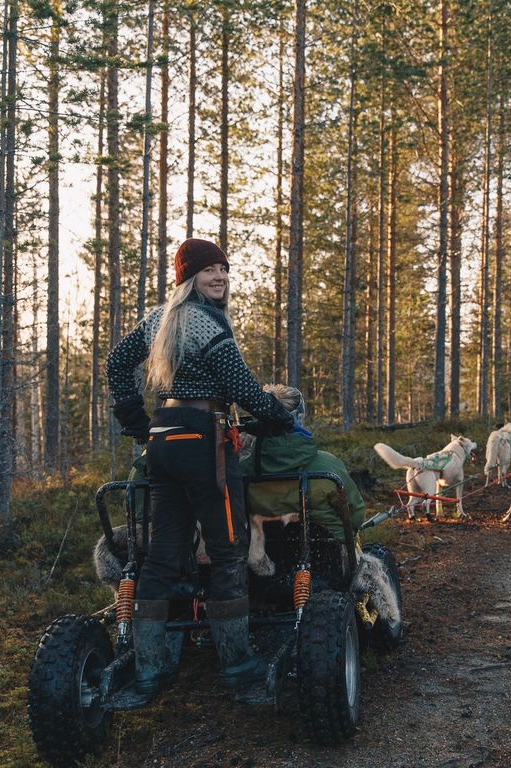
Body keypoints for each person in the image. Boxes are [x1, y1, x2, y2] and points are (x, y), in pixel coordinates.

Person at [106, 238, 293, 696]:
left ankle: (150, 670)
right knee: (229, 549)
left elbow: (115, 363)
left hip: (163, 437)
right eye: (208, 271)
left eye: (224, 270)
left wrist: (134, 418)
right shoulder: (209, 324)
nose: (219, 278)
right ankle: (237, 663)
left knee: (166, 553)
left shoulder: (160, 319)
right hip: (205, 440)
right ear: (188, 278)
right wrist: (280, 416)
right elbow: (243, 388)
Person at [241, 385, 366, 563]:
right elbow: (355, 515)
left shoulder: (243, 470)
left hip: (264, 558)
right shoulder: (327, 466)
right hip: (330, 557)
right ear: (298, 418)